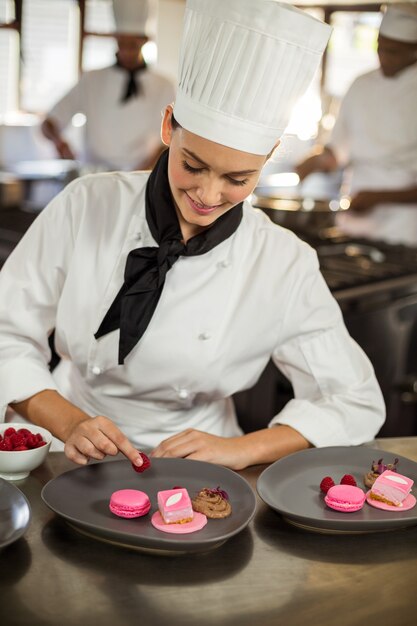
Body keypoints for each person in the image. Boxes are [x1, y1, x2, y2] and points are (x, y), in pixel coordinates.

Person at [0, 0, 385, 471]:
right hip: (66, 447)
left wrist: (243, 449)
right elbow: (6, 331)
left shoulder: (283, 260)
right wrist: (68, 421)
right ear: (167, 126)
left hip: (206, 468)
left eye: (237, 179)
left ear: (270, 157)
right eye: (193, 165)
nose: (207, 195)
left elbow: (353, 399)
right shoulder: (87, 205)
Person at [295, 3, 417, 246]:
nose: (384, 57)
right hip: (354, 223)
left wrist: (379, 197)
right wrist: (317, 160)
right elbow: (338, 150)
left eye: (394, 51)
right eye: (381, 47)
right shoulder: (360, 85)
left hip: (407, 230)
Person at [41, 0, 175, 171]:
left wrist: (140, 173)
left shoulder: (164, 85)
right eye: (122, 43)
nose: (126, 51)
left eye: (132, 44)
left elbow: (171, 138)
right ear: (115, 39)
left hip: (142, 177)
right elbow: (49, 122)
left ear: (144, 41)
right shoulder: (91, 79)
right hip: (94, 174)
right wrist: (58, 142)